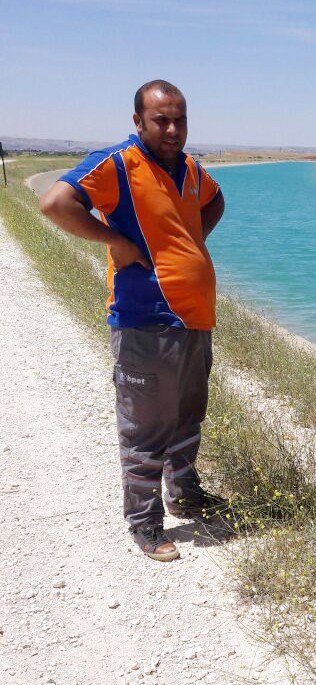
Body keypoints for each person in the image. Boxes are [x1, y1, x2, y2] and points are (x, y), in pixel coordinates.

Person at [40, 80, 226, 562]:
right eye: (161, 119)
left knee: (187, 416)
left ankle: (185, 492)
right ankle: (144, 524)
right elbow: (55, 204)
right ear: (138, 121)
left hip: (195, 319)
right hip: (146, 320)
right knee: (145, 427)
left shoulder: (187, 168)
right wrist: (116, 243)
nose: (172, 128)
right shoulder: (120, 164)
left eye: (179, 119)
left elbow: (215, 199)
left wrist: (190, 243)